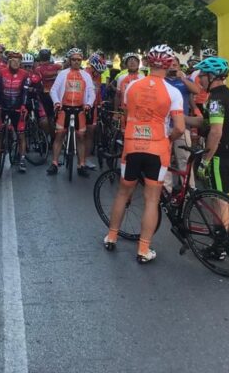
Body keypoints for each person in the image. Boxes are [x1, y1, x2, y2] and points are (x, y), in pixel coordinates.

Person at [104, 44, 185, 263]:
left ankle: (111, 237)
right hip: (157, 149)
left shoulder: (132, 86)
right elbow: (179, 127)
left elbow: (127, 112)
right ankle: (143, 250)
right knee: (151, 200)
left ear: (148, 63)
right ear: (168, 65)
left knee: (123, 193)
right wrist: (167, 139)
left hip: (131, 146)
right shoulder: (173, 92)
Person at [184, 56, 229, 259]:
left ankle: (218, 247)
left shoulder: (215, 99)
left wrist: (206, 159)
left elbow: (215, 131)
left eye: (202, 75)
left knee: (218, 199)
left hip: (222, 153)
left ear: (212, 76)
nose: (199, 79)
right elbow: (206, 123)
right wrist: (181, 118)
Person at [47, 48, 95, 177]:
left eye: (79, 60)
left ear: (81, 60)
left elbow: (91, 92)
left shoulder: (86, 75)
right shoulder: (63, 73)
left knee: (81, 137)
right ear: (69, 60)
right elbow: (53, 90)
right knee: (59, 135)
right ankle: (54, 163)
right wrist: (56, 102)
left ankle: (81, 165)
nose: (76, 62)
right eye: (73, 59)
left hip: (80, 109)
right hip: (64, 109)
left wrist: (89, 104)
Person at [0, 50, 29, 173]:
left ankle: (22, 159)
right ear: (9, 62)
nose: (16, 63)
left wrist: (23, 105)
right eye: (13, 61)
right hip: (3, 105)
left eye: (18, 61)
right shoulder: (1, 73)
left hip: (17, 107)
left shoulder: (24, 74)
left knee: (21, 133)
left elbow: (25, 92)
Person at [164, 55, 201, 172]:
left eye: (175, 65)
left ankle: (188, 189)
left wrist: (183, 79)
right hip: (163, 125)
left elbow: (197, 91)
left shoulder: (184, 80)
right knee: (164, 160)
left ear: (179, 67)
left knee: (184, 159)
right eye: (169, 64)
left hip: (181, 124)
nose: (172, 67)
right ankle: (166, 189)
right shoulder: (161, 80)